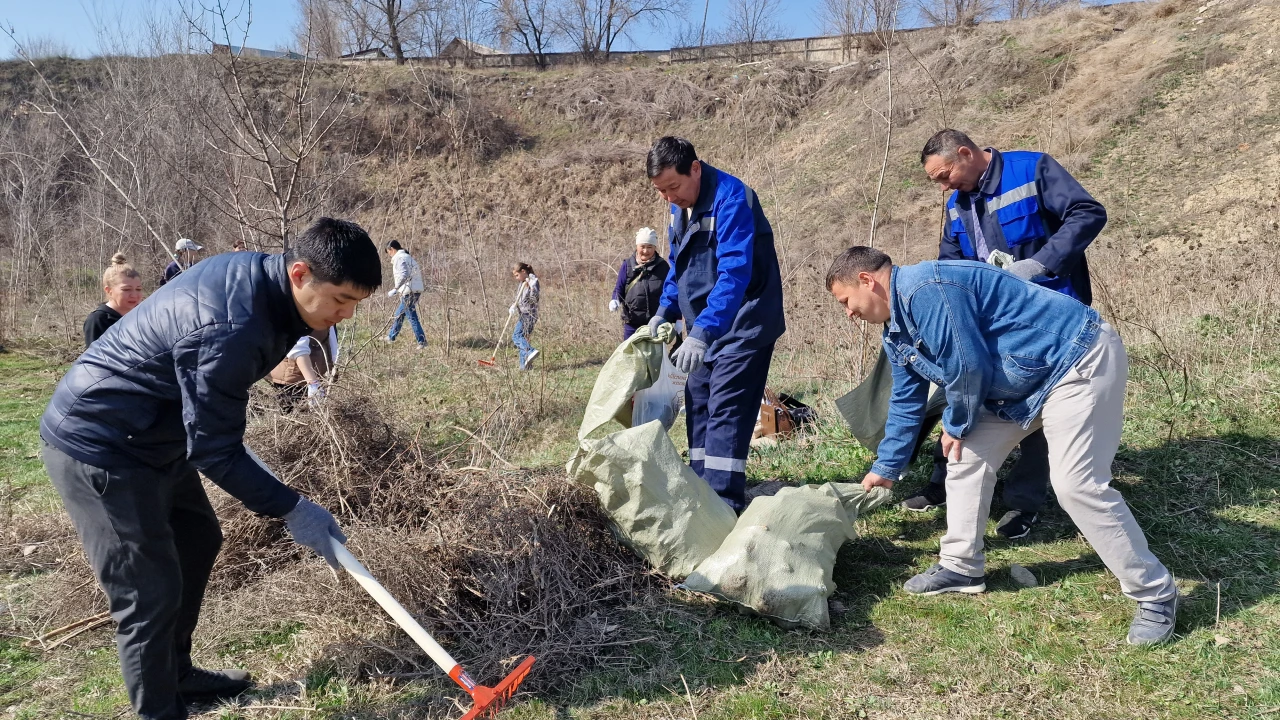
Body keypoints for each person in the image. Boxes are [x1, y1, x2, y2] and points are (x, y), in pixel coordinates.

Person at [39, 218, 382, 719]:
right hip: (101, 444)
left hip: (154, 430)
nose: (345, 315)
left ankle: (177, 674)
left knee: (198, 537)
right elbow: (215, 449)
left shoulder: (265, 280)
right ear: (301, 273)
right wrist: (292, 507)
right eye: (340, 300)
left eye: (356, 304)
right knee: (146, 591)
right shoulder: (233, 325)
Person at [826, 246, 1178, 646]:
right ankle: (962, 567)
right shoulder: (896, 330)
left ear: (868, 281)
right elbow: (907, 400)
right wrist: (887, 467)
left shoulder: (928, 287)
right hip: (1017, 385)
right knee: (962, 457)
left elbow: (967, 364)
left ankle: (1155, 594)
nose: (849, 314)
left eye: (846, 302)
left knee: (1077, 484)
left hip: (1075, 362)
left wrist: (957, 424)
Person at [901, 129, 1108, 541]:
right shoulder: (959, 205)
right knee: (966, 391)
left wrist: (1041, 264)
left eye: (944, 175)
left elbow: (1087, 213)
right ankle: (944, 484)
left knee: (1040, 411)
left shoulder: (1032, 170)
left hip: (1050, 320)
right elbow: (951, 263)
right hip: (992, 323)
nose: (943, 187)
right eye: (937, 181)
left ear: (965, 153)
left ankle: (1023, 503)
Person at [644, 136, 785, 513]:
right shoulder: (680, 208)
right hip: (703, 329)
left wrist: (703, 332)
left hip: (744, 323)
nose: (669, 198)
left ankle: (723, 506)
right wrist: (665, 312)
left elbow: (734, 274)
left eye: (673, 187)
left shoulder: (732, 197)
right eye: (661, 192)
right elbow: (679, 267)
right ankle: (701, 492)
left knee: (727, 409)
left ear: (695, 168)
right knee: (700, 402)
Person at [610, 227, 671, 339]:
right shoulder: (627, 265)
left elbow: (670, 292)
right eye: (642, 247)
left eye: (650, 247)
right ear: (637, 246)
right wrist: (615, 300)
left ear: (655, 247)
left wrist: (676, 318)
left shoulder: (663, 266)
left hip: (655, 323)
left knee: (654, 356)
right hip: (632, 322)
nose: (646, 251)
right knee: (630, 355)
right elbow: (619, 288)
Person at [267, 326, 339, 411]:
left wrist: (332, 370)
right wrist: (313, 383)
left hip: (317, 376)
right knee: (294, 416)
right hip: (293, 380)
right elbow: (298, 349)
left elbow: (331, 336)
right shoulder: (304, 315)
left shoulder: (327, 315)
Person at [84, 253, 144, 347]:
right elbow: (95, 359)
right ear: (109, 290)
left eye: (138, 289)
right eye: (126, 289)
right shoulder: (98, 320)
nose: (134, 295)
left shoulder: (142, 315)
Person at [384, 240, 427, 349]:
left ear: (392, 249)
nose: (389, 255)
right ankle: (391, 337)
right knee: (399, 314)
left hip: (408, 290)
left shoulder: (399, 258)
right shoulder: (408, 257)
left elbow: (404, 274)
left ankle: (422, 341)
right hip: (415, 289)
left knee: (412, 317)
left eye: (388, 252)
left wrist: (395, 288)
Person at [509, 262, 540, 370]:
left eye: (517, 275)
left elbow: (534, 300)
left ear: (523, 271)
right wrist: (514, 305)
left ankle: (530, 351)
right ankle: (525, 367)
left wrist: (532, 288)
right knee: (524, 339)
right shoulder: (522, 282)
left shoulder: (533, 282)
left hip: (529, 315)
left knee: (516, 336)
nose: (516, 278)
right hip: (523, 313)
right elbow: (521, 299)